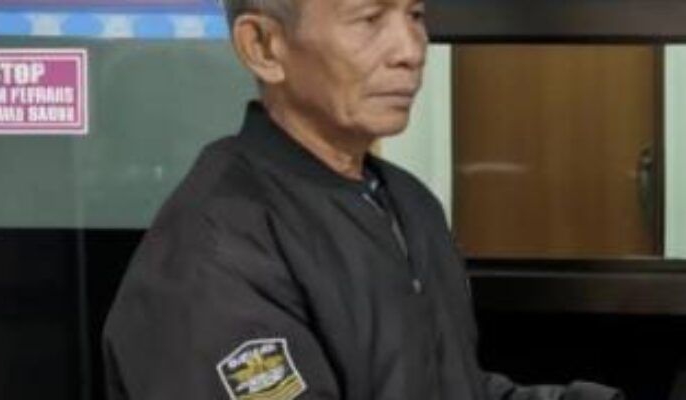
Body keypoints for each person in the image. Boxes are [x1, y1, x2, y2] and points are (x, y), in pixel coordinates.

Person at [102, 0, 624, 399]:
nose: (410, 50)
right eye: (370, 19)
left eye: (415, 15)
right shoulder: (217, 248)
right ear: (263, 46)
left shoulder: (407, 202)